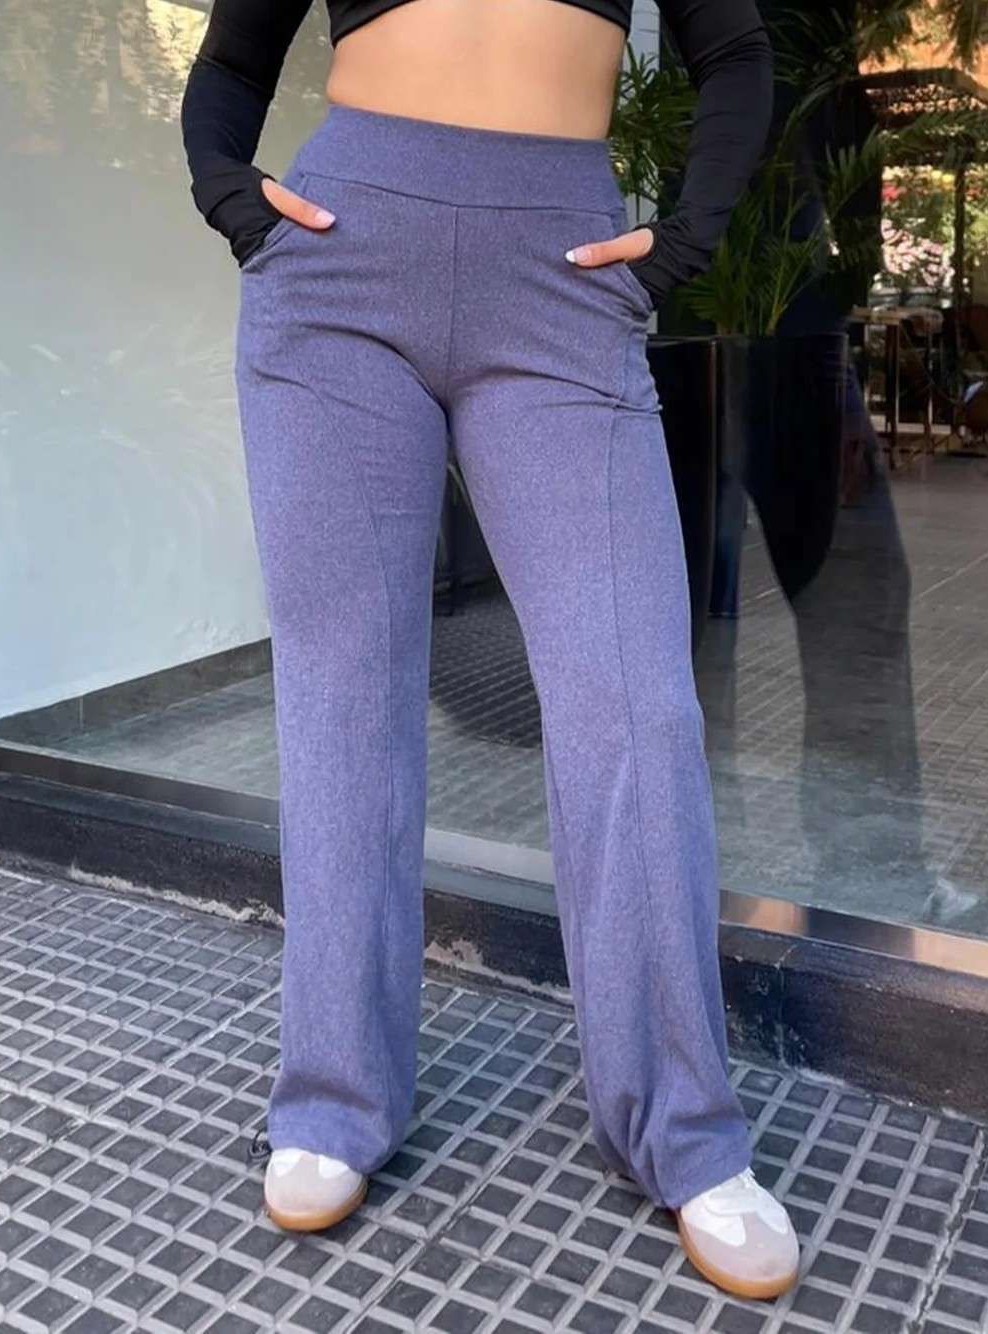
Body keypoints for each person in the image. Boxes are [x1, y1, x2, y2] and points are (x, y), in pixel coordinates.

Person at [181, 0, 799, 1300]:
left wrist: (689, 234)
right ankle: (332, 1095)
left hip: (559, 270)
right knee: (343, 693)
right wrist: (230, 194)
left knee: (635, 705)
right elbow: (234, 57)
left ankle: (684, 1129)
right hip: (339, 263)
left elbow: (735, 52)